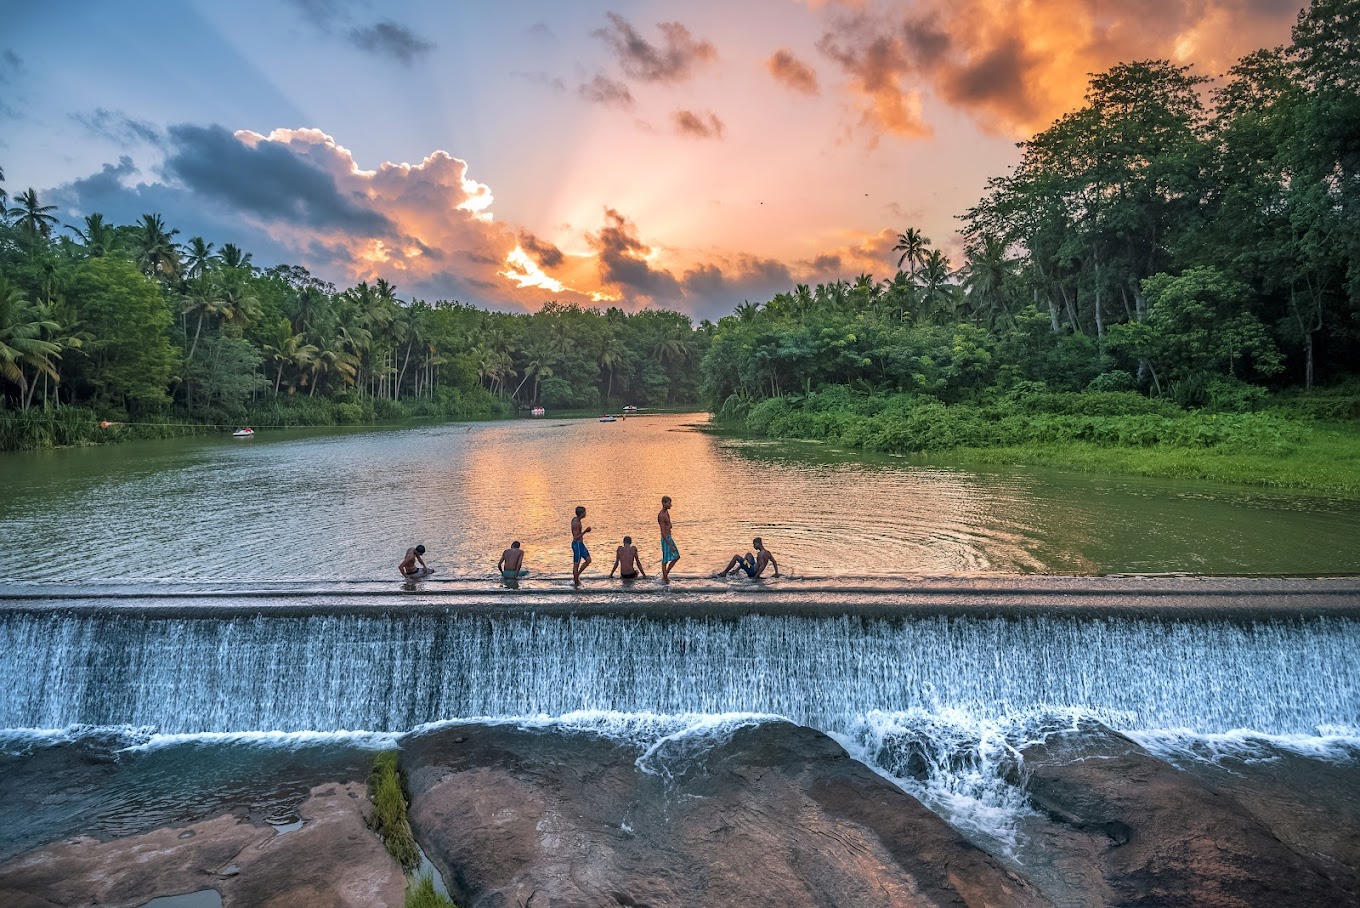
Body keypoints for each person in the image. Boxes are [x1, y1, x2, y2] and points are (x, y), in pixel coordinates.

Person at [715, 537, 779, 579]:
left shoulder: (760, 554)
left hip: (752, 571)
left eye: (754, 544)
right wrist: (776, 573)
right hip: (751, 566)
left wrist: (756, 577)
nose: (754, 546)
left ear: (758, 544)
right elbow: (774, 562)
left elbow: (762, 566)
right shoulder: (768, 553)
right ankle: (737, 570)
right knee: (748, 554)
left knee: (736, 556)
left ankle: (724, 573)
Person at [658, 495, 679, 583]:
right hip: (665, 539)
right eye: (669, 503)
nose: (671, 505)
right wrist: (670, 545)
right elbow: (662, 532)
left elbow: (669, 524)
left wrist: (670, 525)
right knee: (665, 560)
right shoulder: (661, 515)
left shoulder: (666, 512)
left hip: (669, 537)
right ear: (664, 503)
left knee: (677, 556)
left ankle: (665, 575)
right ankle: (666, 579)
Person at [571, 506, 592, 587]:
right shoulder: (576, 523)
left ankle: (577, 576)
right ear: (581, 514)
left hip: (581, 544)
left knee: (588, 560)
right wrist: (585, 531)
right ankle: (576, 583)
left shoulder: (576, 519)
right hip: (577, 545)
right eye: (584, 512)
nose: (586, 513)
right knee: (576, 564)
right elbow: (576, 537)